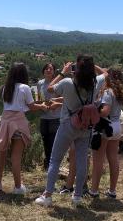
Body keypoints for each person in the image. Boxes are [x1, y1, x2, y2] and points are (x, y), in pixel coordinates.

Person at [35, 55, 107, 207]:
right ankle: (77, 196)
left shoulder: (67, 82)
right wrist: (92, 67)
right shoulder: (95, 82)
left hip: (68, 124)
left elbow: (49, 90)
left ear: (77, 69)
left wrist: (63, 72)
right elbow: (106, 74)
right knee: (82, 162)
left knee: (55, 160)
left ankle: (47, 195)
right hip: (86, 127)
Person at [0, 63, 47, 193]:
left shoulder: (4, 88)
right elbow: (31, 107)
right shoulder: (25, 87)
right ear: (23, 74)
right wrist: (42, 106)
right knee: (16, 156)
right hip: (18, 123)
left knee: (1, 153)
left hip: (4, 122)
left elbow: (11, 106)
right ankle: (18, 187)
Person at [89, 68, 123, 199]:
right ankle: (112, 190)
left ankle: (94, 190)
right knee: (113, 158)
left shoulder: (107, 92)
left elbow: (105, 111)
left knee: (98, 159)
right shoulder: (120, 92)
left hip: (105, 126)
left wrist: (93, 111)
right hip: (117, 126)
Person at [37, 63, 63, 170]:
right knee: (45, 142)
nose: (48, 70)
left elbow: (63, 98)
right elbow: (38, 98)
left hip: (55, 118)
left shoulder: (59, 83)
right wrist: (40, 105)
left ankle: (53, 166)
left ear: (54, 72)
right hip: (44, 117)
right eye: (46, 68)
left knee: (54, 142)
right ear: (43, 71)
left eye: (51, 69)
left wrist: (55, 105)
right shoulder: (39, 83)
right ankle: (47, 164)